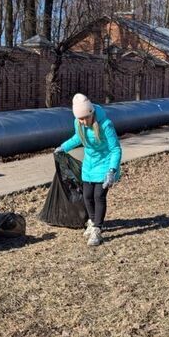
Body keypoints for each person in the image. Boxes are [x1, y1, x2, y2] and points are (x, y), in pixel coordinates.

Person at [55, 93, 122, 246]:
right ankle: (92, 221)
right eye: (80, 119)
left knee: (99, 196)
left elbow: (115, 149)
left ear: (91, 113)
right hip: (89, 165)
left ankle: (97, 229)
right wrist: (63, 147)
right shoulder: (78, 123)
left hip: (105, 165)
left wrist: (112, 171)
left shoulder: (106, 125)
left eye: (85, 118)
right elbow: (78, 138)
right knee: (87, 196)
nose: (83, 122)